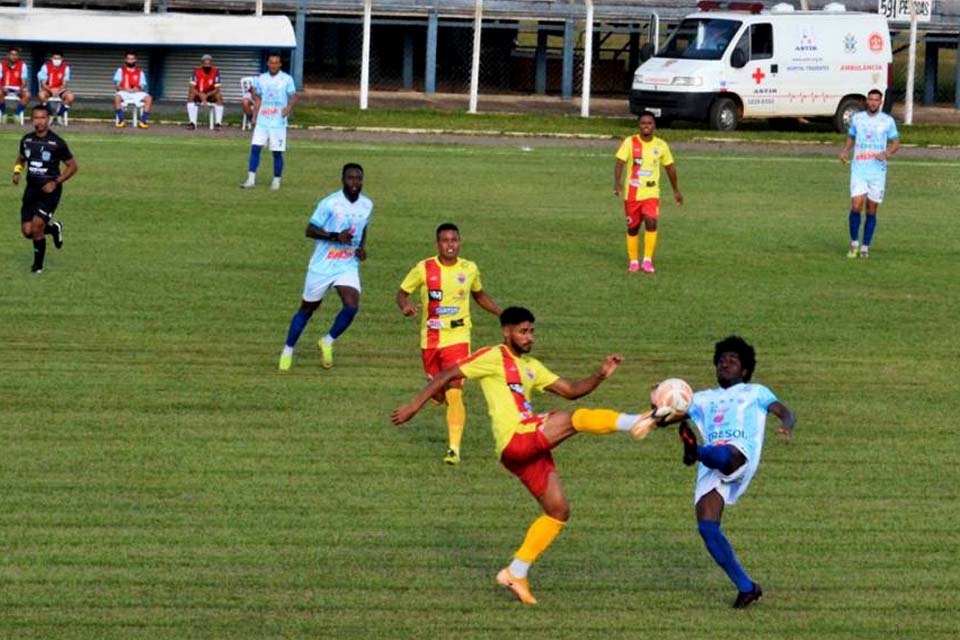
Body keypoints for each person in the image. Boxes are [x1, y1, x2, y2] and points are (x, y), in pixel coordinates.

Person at [392, 306, 661, 605]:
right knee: (573, 419)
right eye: (523, 331)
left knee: (558, 511)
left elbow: (570, 390)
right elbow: (447, 373)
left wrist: (600, 375)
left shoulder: (532, 365)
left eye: (531, 331)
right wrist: (414, 406)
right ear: (506, 332)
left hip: (527, 448)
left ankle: (515, 572)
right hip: (516, 438)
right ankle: (636, 420)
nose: (529, 337)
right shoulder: (492, 356)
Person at [677, 336, 795, 609]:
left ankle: (696, 451)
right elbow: (671, 413)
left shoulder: (756, 391)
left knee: (725, 454)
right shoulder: (702, 398)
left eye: (732, 359)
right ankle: (747, 587)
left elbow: (784, 412)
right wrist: (659, 405)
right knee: (707, 528)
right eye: (721, 359)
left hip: (740, 451)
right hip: (711, 463)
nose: (725, 363)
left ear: (744, 369)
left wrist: (788, 425)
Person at [396, 223, 501, 465]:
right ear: (437, 244)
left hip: (459, 338)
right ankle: (436, 391)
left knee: (455, 391)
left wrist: (501, 313)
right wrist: (405, 306)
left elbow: (479, 295)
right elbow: (401, 293)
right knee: (438, 392)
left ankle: (454, 449)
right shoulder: (424, 268)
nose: (450, 244)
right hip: (431, 339)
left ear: (460, 242)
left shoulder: (470, 268)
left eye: (454, 240)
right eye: (445, 240)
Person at [278, 164, 372, 371]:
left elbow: (364, 226)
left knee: (352, 305)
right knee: (307, 309)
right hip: (322, 265)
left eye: (358, 178)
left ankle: (327, 341)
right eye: (350, 178)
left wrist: (362, 248)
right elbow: (309, 230)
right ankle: (288, 350)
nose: (354, 183)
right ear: (342, 179)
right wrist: (335, 237)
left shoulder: (367, 205)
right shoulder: (330, 203)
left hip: (347, 264)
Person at [613, 111, 682, 273]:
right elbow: (619, 163)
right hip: (632, 193)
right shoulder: (630, 142)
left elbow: (670, 168)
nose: (646, 126)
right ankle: (633, 261)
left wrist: (676, 190)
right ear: (639, 126)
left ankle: (647, 260)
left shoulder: (661, 146)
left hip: (651, 193)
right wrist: (617, 183)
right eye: (643, 123)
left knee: (651, 221)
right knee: (633, 228)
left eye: (649, 123)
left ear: (654, 126)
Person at [12, 105, 78, 273]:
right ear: (32, 119)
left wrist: (56, 182)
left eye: (42, 118)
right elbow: (21, 159)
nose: (39, 121)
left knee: (36, 228)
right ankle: (54, 228)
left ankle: (37, 267)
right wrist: (17, 172)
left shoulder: (57, 143)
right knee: (27, 231)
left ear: (48, 119)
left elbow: (72, 167)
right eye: (36, 118)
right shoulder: (27, 140)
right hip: (31, 190)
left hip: (50, 192)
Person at [840, 89, 899, 259]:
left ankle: (865, 246)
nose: (873, 103)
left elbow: (896, 143)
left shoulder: (887, 121)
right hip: (859, 168)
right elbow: (852, 136)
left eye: (876, 100)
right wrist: (845, 151)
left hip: (877, 172)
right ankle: (854, 243)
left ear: (880, 102)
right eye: (870, 99)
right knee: (856, 205)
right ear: (867, 101)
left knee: (871, 209)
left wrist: (886, 153)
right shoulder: (857, 119)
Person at [241, 53, 297, 191]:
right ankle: (251, 179)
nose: (273, 65)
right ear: (268, 63)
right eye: (271, 62)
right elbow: (258, 99)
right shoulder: (261, 79)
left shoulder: (286, 79)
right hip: (263, 120)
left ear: (280, 64)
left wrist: (288, 108)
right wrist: (254, 116)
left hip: (278, 122)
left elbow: (294, 96)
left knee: (276, 153)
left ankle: (276, 180)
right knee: (255, 148)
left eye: (276, 62)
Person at [112, 51, 152, 129]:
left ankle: (143, 121)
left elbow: (142, 86)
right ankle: (121, 120)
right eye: (128, 59)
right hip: (124, 92)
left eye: (132, 59)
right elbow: (117, 86)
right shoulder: (120, 70)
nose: (130, 61)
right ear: (125, 60)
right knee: (117, 97)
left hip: (136, 93)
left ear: (135, 60)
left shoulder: (140, 72)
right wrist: (124, 88)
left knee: (149, 98)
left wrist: (137, 89)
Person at [186, 54, 223, 130]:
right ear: (202, 64)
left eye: (209, 64)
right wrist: (200, 95)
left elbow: (217, 89)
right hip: (198, 94)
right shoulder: (196, 71)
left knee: (219, 96)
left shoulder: (216, 71)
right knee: (190, 96)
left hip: (210, 94)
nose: (207, 66)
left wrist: (206, 95)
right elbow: (191, 88)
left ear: (212, 64)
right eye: (205, 64)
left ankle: (218, 123)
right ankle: (192, 123)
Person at [37, 52, 75, 124]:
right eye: (55, 58)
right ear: (51, 59)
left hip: (60, 89)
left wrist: (58, 90)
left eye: (59, 59)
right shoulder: (45, 67)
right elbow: (43, 84)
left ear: (62, 59)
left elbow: (64, 83)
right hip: (48, 89)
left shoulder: (66, 68)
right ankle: (50, 114)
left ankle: (59, 115)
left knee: (70, 97)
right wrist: (51, 90)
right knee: (41, 95)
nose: (57, 60)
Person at [1, 46, 31, 123]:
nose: (14, 56)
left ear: (18, 56)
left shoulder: (22, 65)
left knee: (27, 94)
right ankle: (4, 114)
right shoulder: (1, 64)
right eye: (12, 54)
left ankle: (17, 114)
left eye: (16, 55)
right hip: (4, 87)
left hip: (18, 88)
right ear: (8, 55)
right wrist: (2, 87)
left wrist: (21, 88)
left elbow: (24, 81)